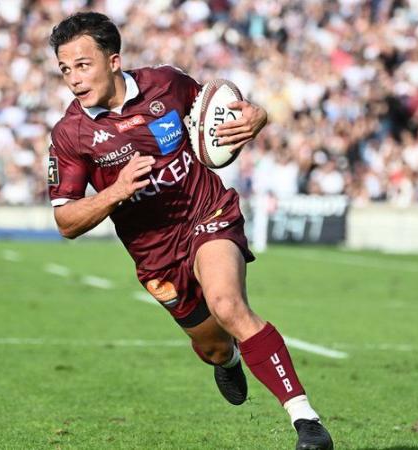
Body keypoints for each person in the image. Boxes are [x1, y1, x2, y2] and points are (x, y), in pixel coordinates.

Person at [47, 12, 334, 450]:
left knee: (228, 304)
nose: (74, 78)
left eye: (83, 65)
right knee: (214, 345)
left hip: (207, 212)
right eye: (65, 69)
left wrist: (256, 117)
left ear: (113, 60)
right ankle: (229, 359)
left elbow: (221, 114)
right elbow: (65, 222)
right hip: (155, 253)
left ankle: (306, 422)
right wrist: (115, 192)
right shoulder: (72, 134)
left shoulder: (167, 83)